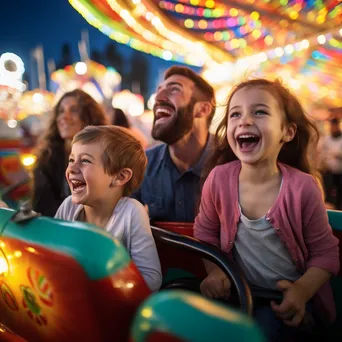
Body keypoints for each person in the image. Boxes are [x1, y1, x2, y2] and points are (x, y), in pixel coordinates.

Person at [193, 79, 340, 341]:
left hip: (286, 301)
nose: (245, 120)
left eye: (259, 111)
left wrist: (301, 292)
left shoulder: (303, 188)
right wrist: (214, 272)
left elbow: (326, 255)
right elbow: (205, 233)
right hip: (239, 294)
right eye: (235, 114)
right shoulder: (218, 179)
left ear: (287, 132)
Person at [55, 125, 162, 292]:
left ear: (120, 177)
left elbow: (151, 278)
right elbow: (51, 253)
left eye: (85, 161)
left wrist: (103, 288)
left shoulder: (131, 212)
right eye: (71, 160)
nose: (72, 169)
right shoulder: (68, 206)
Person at [133, 66, 216, 222]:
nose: (159, 97)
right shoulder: (141, 164)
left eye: (174, 90)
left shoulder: (232, 161)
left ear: (203, 109)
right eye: (159, 90)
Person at [33, 89, 108, 217]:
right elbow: (43, 206)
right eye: (61, 111)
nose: (64, 116)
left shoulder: (106, 154)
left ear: (90, 117)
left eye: (73, 110)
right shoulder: (47, 157)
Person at [318, 117, 342, 209]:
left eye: (334, 125)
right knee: (329, 192)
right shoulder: (326, 139)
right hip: (329, 171)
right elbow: (321, 152)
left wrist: (338, 154)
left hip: (340, 171)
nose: (333, 128)